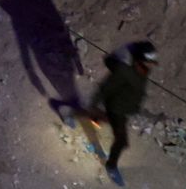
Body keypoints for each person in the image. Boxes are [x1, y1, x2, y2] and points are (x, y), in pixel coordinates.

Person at [58, 41, 156, 185]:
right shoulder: (124, 71)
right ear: (139, 59)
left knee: (100, 119)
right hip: (115, 108)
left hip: (123, 109)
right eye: (149, 61)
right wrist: (94, 104)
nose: (152, 64)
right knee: (121, 141)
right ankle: (111, 166)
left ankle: (73, 114)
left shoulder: (143, 70)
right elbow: (105, 88)